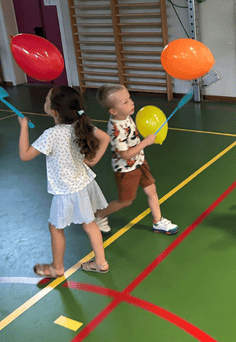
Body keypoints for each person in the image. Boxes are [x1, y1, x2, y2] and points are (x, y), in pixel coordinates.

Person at [18, 85, 111, 277]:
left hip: (65, 191)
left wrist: (23, 127)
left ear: (53, 111)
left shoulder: (51, 134)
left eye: (46, 99)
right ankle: (101, 263)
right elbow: (105, 138)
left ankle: (57, 268)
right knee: (89, 224)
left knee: (55, 227)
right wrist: (92, 161)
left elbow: (25, 155)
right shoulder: (81, 125)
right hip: (82, 185)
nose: (44, 101)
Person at [95, 83, 179, 234]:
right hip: (126, 169)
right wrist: (146, 142)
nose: (132, 103)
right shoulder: (115, 129)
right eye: (126, 102)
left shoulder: (126, 116)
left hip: (140, 162)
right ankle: (99, 215)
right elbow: (125, 154)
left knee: (152, 190)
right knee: (125, 201)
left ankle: (158, 222)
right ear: (114, 111)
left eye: (130, 98)